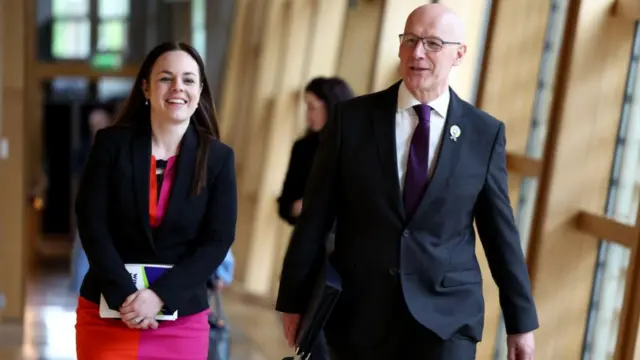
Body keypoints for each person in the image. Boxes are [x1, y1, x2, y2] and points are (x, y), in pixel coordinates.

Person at [276, 4, 538, 360]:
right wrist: (292, 299)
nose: (417, 53)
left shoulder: (484, 133)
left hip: (447, 318)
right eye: (410, 40)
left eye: (432, 43)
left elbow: (500, 232)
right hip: (360, 312)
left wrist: (520, 321)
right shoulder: (352, 120)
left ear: (458, 54)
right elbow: (315, 216)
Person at [74, 41, 237, 359]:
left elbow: (217, 241)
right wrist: (126, 296)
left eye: (188, 79)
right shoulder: (110, 145)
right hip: (108, 310)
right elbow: (91, 224)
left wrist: (160, 295)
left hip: (181, 317)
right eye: (166, 78)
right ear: (147, 88)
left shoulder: (218, 158)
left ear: (200, 90)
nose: (178, 87)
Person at [277, 77, 354, 360]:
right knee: (310, 338)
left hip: (344, 258)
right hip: (309, 255)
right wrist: (309, 206)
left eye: (313, 107)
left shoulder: (354, 148)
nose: (308, 115)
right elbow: (285, 205)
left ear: (331, 107)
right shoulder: (303, 148)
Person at [70, 103, 116, 294]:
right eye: (92, 124)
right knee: (82, 250)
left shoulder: (117, 145)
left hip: (113, 208)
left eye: (99, 122)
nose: (96, 127)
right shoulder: (86, 147)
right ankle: (81, 290)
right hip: (91, 208)